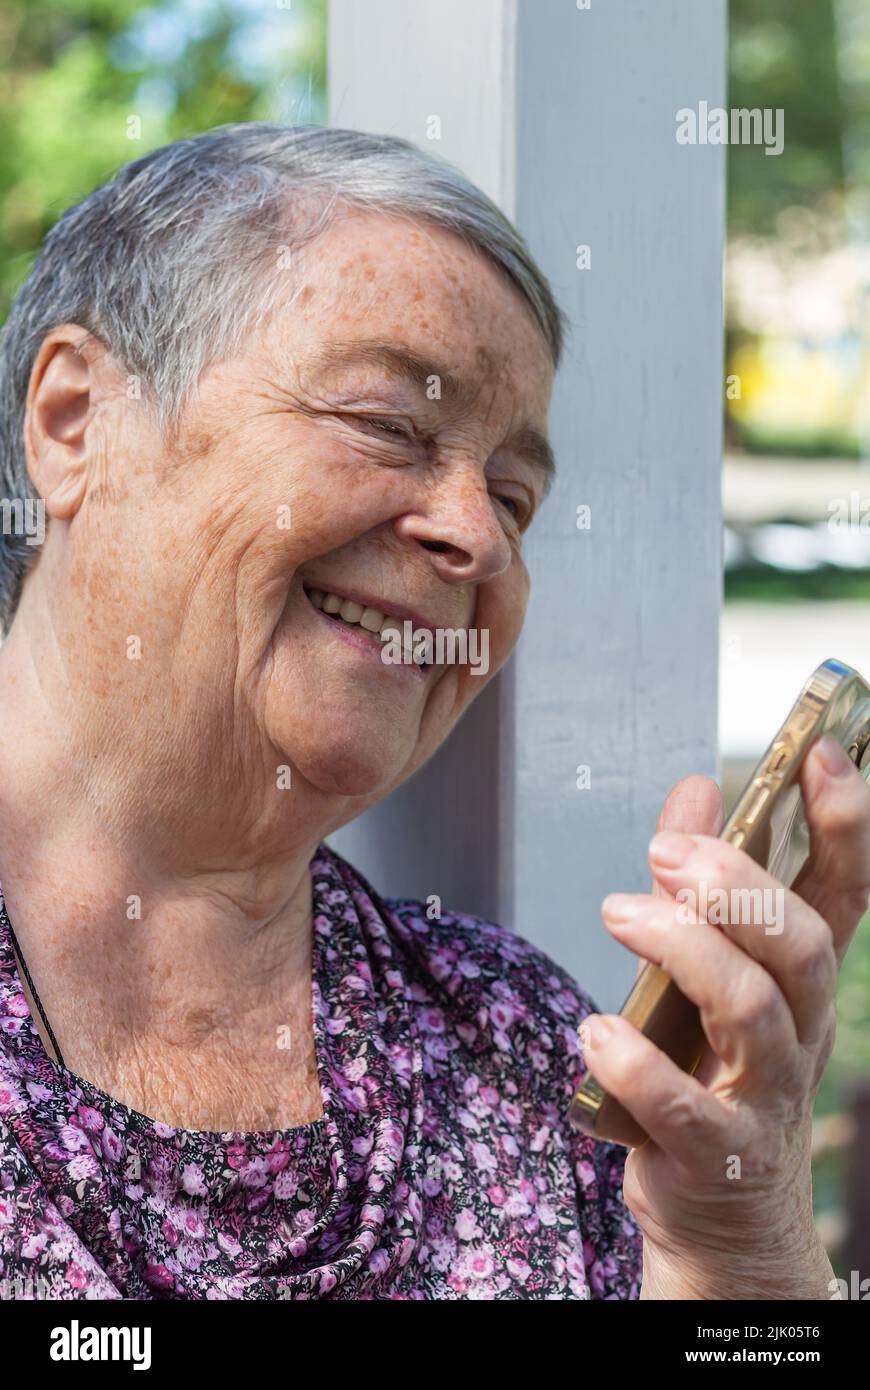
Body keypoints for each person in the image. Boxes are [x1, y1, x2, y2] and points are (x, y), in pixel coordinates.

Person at [0, 125, 866, 1300]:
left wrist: (742, 1244)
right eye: (387, 424)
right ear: (74, 419)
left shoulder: (513, 1037)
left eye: (514, 495)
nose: (476, 534)